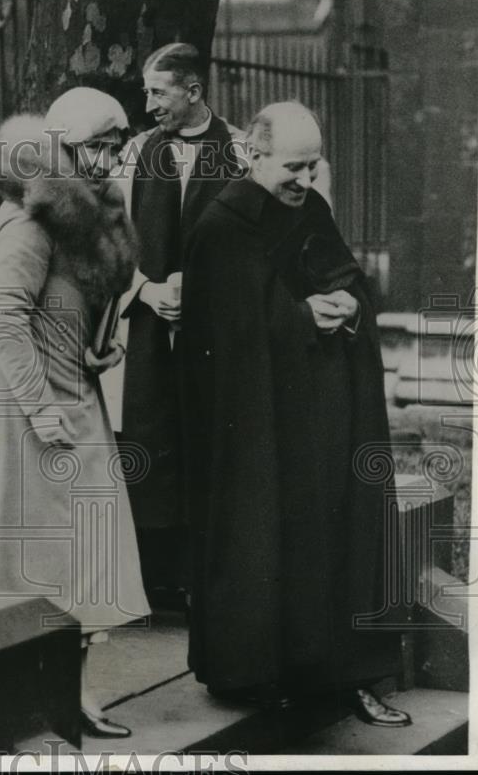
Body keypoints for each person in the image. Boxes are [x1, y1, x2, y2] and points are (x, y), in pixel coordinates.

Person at [182, 101, 411, 726]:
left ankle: (347, 672)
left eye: (313, 167)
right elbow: (220, 340)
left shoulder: (310, 209)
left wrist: (350, 303)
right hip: (258, 429)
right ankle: (260, 674)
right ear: (251, 155)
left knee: (336, 537)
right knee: (264, 541)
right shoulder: (219, 228)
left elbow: (349, 277)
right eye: (293, 167)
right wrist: (300, 317)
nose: (305, 182)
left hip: (324, 421)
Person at [0, 88, 151, 739]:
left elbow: (75, 305)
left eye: (115, 146)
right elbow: (2, 321)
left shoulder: (95, 216)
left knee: (88, 548)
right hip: (19, 405)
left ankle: (76, 691)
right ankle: (14, 697)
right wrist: (39, 409)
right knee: (21, 555)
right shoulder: (30, 217)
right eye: (96, 144)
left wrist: (99, 346)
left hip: (74, 395)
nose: (106, 159)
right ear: (63, 144)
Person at [100, 43, 243, 606]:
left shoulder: (237, 152)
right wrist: (149, 291)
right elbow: (110, 238)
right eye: (146, 92)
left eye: (159, 92)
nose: (149, 102)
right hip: (152, 324)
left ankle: (205, 578)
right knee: (152, 438)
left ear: (193, 91)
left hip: (215, 329)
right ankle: (153, 578)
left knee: (209, 438)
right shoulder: (138, 153)